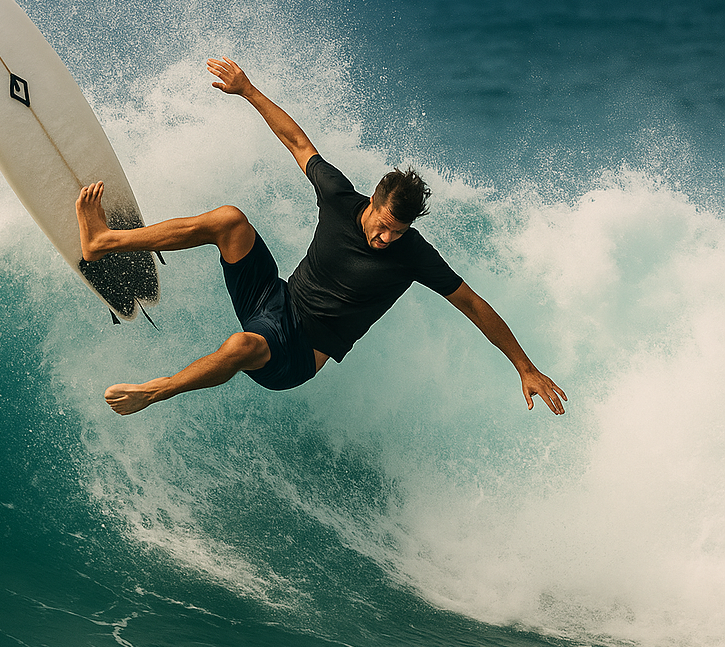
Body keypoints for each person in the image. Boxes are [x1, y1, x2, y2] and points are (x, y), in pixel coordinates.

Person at [75, 57, 567, 418]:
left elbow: (473, 304)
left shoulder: (414, 255)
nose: (385, 238)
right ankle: (103, 242)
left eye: (397, 232)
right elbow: (297, 142)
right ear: (372, 202)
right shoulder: (338, 197)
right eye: (382, 224)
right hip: (272, 299)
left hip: (298, 353)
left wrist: (524, 367)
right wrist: (247, 89)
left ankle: (156, 391)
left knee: (241, 345)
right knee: (230, 220)